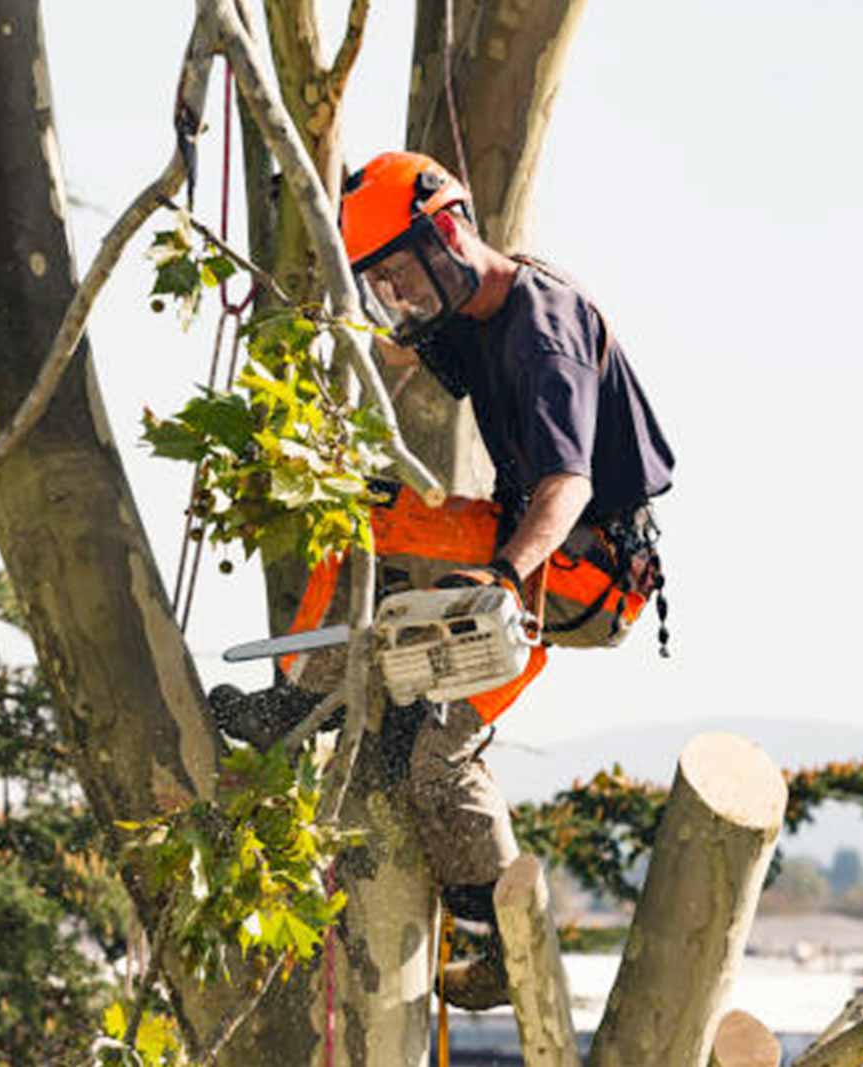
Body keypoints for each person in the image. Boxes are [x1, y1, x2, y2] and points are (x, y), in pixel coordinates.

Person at [211, 151, 674, 1009]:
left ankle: (307, 704)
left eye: (400, 273)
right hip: (531, 547)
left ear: (449, 232)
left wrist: (500, 574)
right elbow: (394, 356)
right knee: (417, 712)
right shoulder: (464, 308)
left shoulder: (541, 331)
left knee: (422, 695)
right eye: (380, 280)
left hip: (581, 566)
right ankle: (309, 702)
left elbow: (565, 482)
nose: (398, 294)